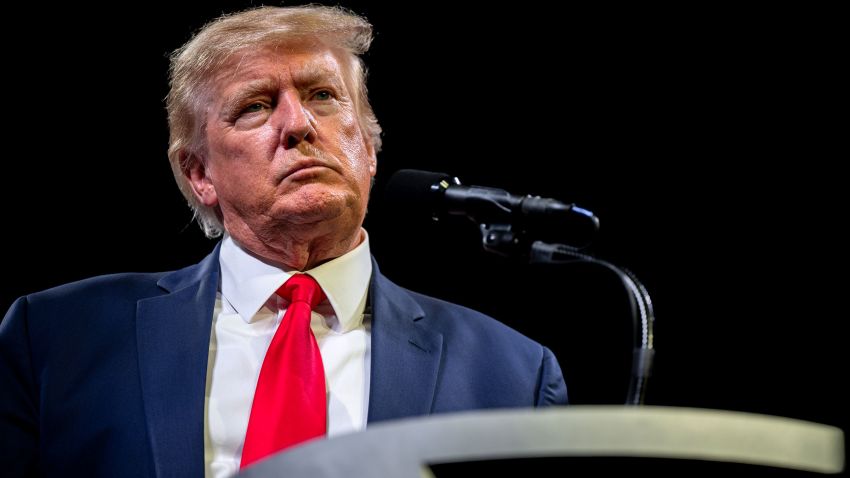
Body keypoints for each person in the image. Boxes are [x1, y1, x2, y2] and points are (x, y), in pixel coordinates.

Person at [0, 5, 567, 477]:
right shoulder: (56, 339)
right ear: (200, 173)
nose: (298, 124)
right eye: (256, 106)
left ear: (368, 149)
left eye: (323, 96)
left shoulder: (512, 373)